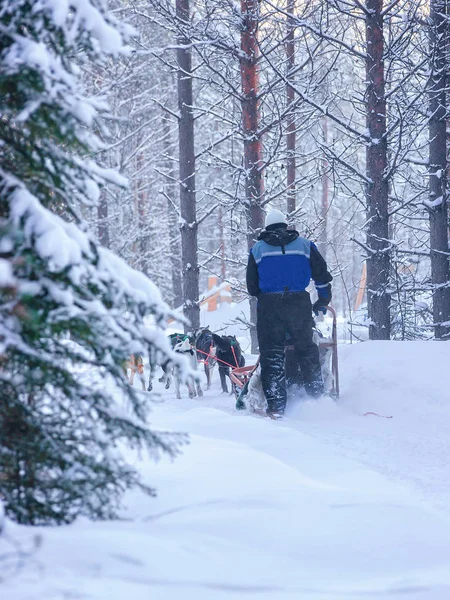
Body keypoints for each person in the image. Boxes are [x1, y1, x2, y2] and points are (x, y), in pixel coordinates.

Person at [246, 208, 332, 418]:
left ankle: (276, 407)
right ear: (286, 225)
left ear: (267, 227)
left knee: (272, 356)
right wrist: (322, 301)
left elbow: (252, 287)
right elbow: (322, 276)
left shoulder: (257, 249)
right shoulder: (305, 245)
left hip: (270, 305)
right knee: (306, 350)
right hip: (299, 304)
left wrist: (267, 296)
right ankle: (317, 399)